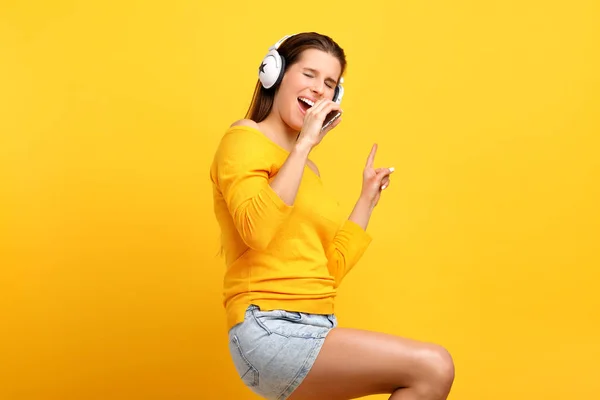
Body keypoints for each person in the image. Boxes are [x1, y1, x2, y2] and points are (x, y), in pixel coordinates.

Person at [209, 32, 455, 400]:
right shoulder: (244, 138)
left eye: (330, 83)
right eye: (309, 75)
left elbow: (327, 271)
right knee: (433, 365)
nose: (320, 89)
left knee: (430, 369)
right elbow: (256, 231)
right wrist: (305, 143)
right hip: (268, 325)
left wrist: (367, 200)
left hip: (316, 324)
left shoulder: (308, 173)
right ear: (273, 73)